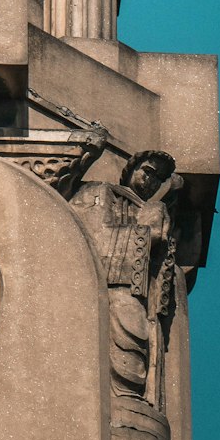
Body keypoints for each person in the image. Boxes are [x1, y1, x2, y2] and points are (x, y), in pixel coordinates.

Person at [70, 150, 181, 410]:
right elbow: (91, 239)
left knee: (142, 337)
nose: (151, 182)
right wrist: (147, 233)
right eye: (148, 171)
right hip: (115, 285)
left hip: (141, 290)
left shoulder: (154, 208)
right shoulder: (102, 192)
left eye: (159, 179)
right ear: (131, 169)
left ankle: (134, 401)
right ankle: (123, 400)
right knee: (127, 333)